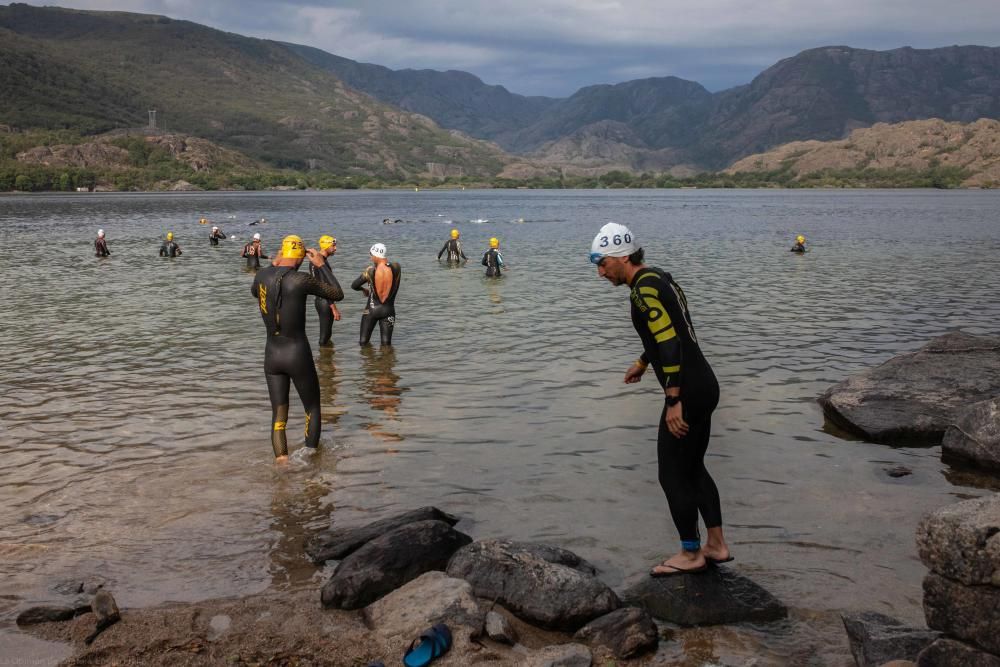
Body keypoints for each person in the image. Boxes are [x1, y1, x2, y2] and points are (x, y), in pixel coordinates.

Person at [590, 222, 729, 577]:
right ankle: (717, 545)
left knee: (671, 473)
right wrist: (642, 360)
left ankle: (690, 552)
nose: (600, 272)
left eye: (602, 263)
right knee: (693, 466)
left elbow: (669, 342)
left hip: (688, 389)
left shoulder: (641, 292)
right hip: (703, 382)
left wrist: (673, 400)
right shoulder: (659, 278)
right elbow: (672, 330)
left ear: (622, 256)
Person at [251, 235, 344, 461]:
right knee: (312, 408)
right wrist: (321, 265)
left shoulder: (261, 275)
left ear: (282, 253)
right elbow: (337, 294)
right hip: (297, 354)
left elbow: (256, 292)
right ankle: (310, 460)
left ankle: (281, 462)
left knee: (279, 412)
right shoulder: (301, 279)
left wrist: (275, 262)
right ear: (302, 258)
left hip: (272, 355)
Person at [351, 243, 402, 347]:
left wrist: (363, 290)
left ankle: (368, 362)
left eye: (371, 255)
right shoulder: (397, 267)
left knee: (363, 343)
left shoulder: (369, 271)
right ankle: (387, 362)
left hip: (371, 310)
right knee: (386, 345)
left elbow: (354, 285)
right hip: (389, 311)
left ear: (375, 254)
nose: (370, 257)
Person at [310, 235, 342, 347]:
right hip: (325, 302)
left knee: (327, 333)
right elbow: (324, 287)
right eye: (333, 245)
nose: (335, 248)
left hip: (320, 300)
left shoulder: (317, 260)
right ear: (326, 245)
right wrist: (334, 309)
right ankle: (324, 361)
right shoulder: (320, 262)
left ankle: (326, 358)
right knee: (325, 336)